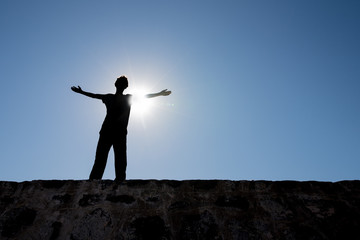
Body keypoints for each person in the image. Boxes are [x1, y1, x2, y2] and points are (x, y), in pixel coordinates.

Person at [71, 76, 171, 182]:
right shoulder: (109, 97)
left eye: (123, 82)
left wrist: (159, 94)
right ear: (116, 84)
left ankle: (119, 180)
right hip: (106, 132)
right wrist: (81, 92)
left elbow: (144, 96)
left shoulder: (127, 98)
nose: (121, 84)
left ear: (125, 86)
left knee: (120, 158)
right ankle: (94, 181)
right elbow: (94, 95)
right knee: (101, 158)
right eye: (120, 82)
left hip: (119, 133)